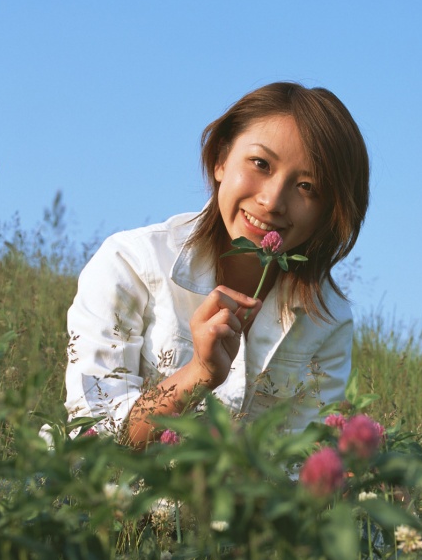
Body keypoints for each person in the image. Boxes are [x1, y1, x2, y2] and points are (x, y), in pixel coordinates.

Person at [65, 82, 369, 446]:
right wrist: (199, 374)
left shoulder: (326, 319)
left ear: (329, 212)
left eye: (307, 187)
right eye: (260, 164)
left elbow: (297, 467)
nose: (273, 201)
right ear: (222, 159)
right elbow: (94, 436)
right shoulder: (131, 264)